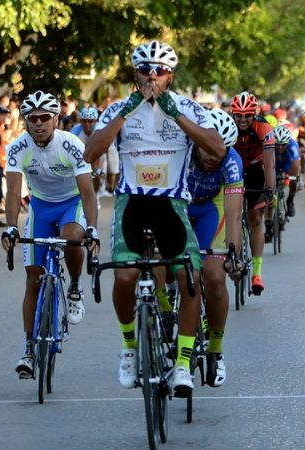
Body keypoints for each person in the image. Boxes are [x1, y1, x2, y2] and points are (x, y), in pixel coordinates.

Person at [84, 40, 226, 397]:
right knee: (126, 275)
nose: (152, 76)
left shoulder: (187, 107)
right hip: (132, 202)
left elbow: (217, 147)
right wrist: (125, 112)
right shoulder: (119, 107)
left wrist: (173, 113)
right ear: (135, 74)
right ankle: (130, 348)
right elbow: (89, 153)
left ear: (170, 76)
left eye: (159, 71)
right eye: (145, 70)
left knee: (188, 275)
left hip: (172, 204)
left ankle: (181, 364)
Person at [0, 90, 99, 379]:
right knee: (33, 278)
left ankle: (76, 286)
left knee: (70, 237)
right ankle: (29, 348)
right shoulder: (18, 148)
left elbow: (88, 192)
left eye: (45, 118)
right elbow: (13, 191)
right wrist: (11, 226)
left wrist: (91, 227)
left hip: (71, 204)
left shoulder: (72, 145)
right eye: (33, 119)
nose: (39, 123)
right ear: (26, 122)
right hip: (40, 208)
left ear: (55, 119)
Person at [185, 108, 243, 387]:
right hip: (179, 207)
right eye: (207, 148)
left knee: (215, 276)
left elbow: (233, 214)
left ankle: (216, 349)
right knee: (168, 265)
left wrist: (233, 255)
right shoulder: (180, 152)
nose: (212, 156)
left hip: (211, 208)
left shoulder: (231, 162)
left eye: (219, 151)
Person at [229, 91, 275, 294]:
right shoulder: (227, 126)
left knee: (256, 218)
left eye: (247, 115)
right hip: (234, 171)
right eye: (238, 115)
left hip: (256, 169)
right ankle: (235, 259)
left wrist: (270, 189)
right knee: (234, 216)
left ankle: (257, 273)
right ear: (233, 114)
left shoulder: (264, 127)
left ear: (254, 114)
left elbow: (269, 163)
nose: (242, 120)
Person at [273, 125, 300, 217]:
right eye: (277, 144)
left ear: (288, 142)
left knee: (294, 182)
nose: (280, 147)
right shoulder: (269, 144)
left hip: (287, 161)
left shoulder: (293, 145)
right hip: (275, 161)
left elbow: (296, 165)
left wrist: (294, 178)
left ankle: (290, 200)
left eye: (283, 144)